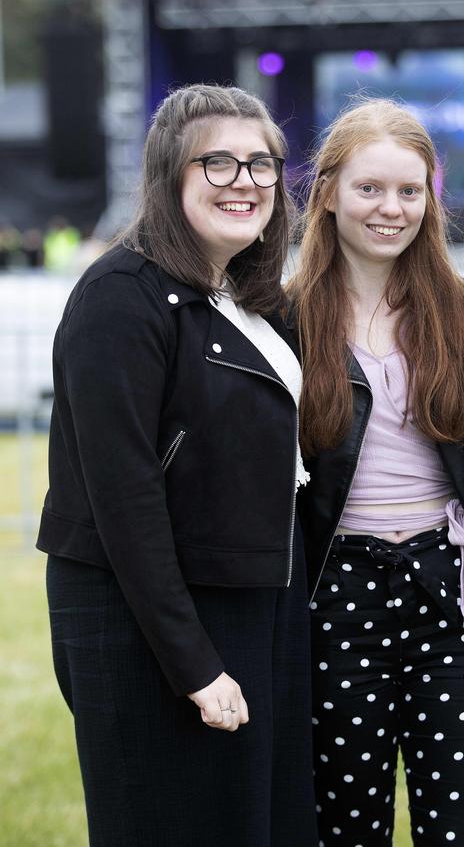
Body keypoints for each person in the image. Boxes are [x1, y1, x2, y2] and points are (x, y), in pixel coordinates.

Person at [37, 84, 317, 847]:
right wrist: (192, 662)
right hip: (149, 618)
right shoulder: (119, 298)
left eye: (261, 164)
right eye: (218, 163)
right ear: (169, 174)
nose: (246, 181)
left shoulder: (253, 298)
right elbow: (124, 499)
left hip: (254, 600)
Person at [290, 99, 464, 847]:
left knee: (463, 827)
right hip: (336, 593)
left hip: (451, 589)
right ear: (326, 192)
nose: (392, 209)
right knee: (346, 826)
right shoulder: (284, 321)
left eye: (410, 191)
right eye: (370, 189)